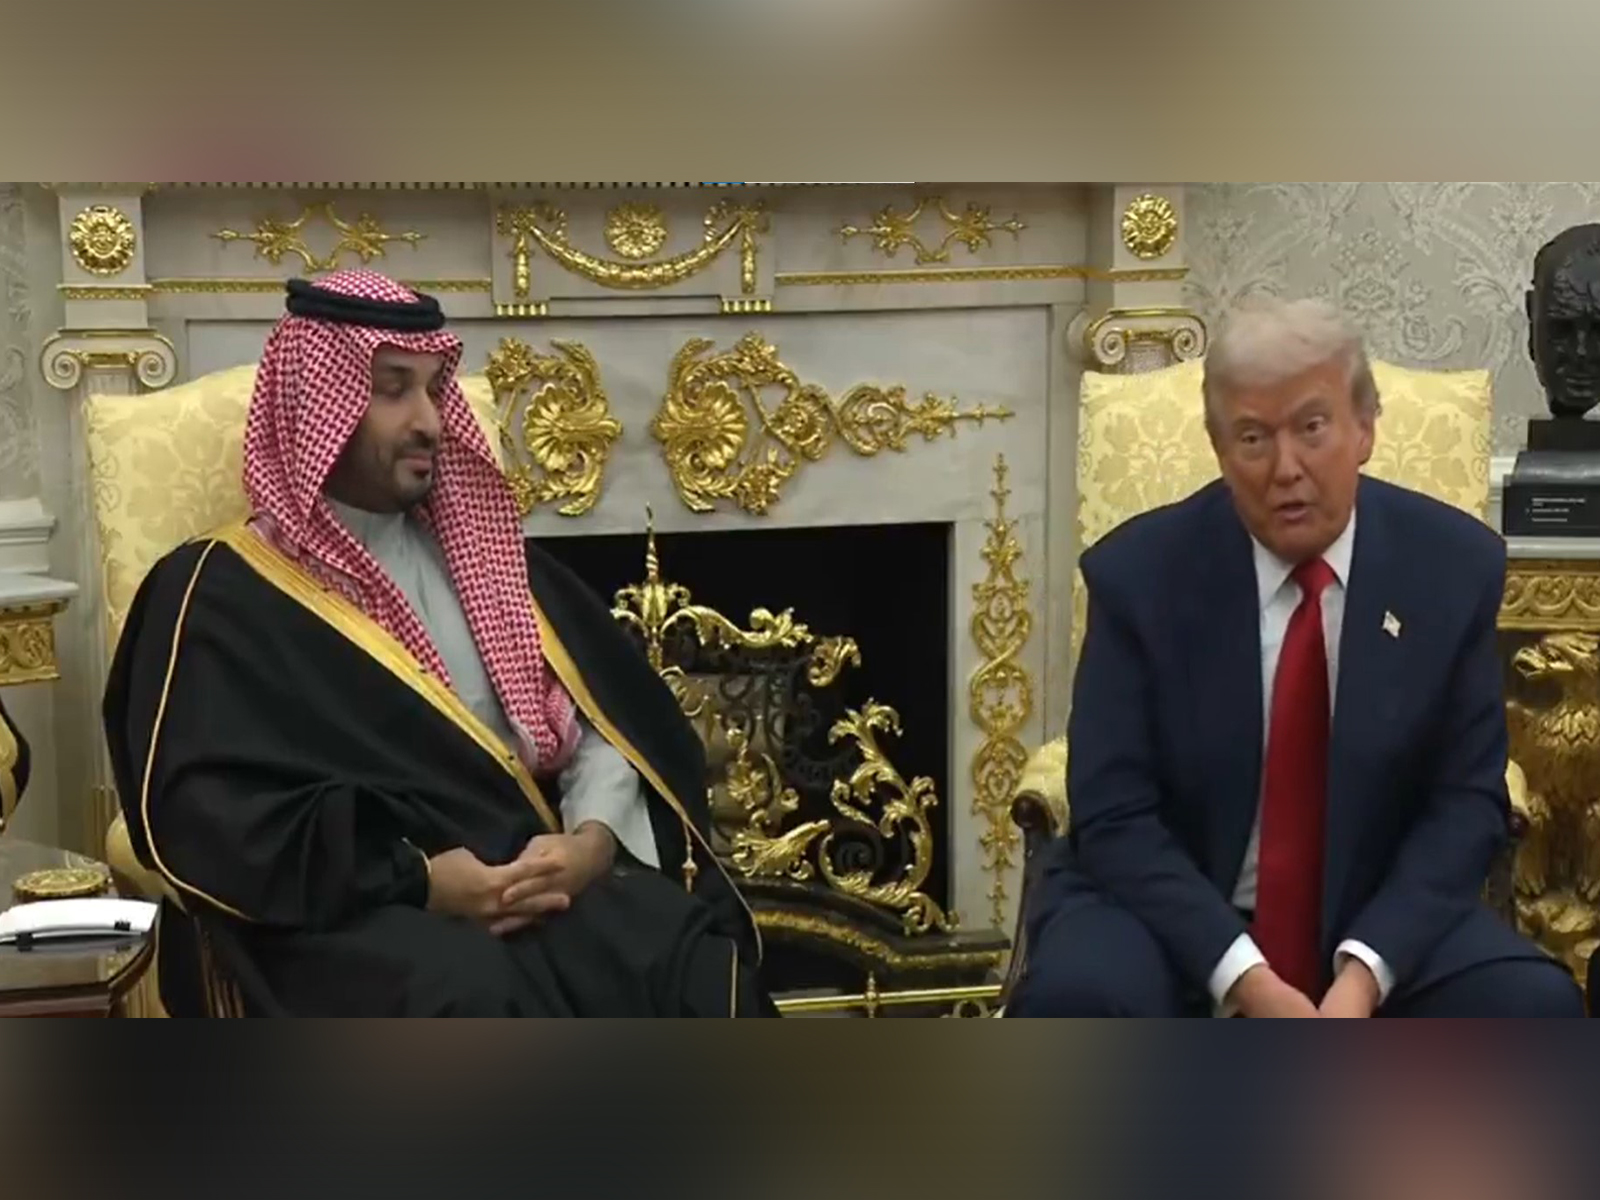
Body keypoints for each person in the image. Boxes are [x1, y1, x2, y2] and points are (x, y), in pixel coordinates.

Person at [103, 269, 774, 1016]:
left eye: (434, 389)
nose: (429, 421)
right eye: (393, 389)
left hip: (536, 885)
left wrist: (591, 842)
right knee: (466, 991)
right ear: (315, 405)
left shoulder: (494, 563)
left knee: (687, 957)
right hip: (351, 911)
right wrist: (421, 881)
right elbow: (204, 816)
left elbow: (602, 725)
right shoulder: (217, 594)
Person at [1008, 296, 1582, 1017]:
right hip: (1170, 915)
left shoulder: (1451, 569)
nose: (1286, 469)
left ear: (1365, 427)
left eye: (1312, 428)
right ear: (1220, 448)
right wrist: (1247, 979)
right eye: (1252, 437)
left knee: (1531, 1006)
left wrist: (1363, 977)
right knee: (1079, 997)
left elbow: (1464, 804)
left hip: (1373, 913)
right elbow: (1115, 815)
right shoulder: (1139, 577)